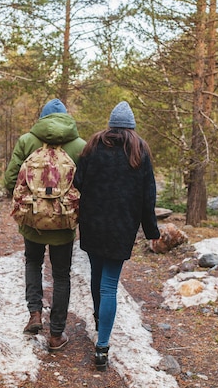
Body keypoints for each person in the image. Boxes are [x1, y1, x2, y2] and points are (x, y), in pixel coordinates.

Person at [73, 101, 160, 371]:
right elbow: (148, 195)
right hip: (122, 227)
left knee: (96, 277)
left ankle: (100, 321)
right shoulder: (139, 150)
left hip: (93, 223)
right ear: (131, 127)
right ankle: (103, 345)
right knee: (109, 285)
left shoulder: (92, 146)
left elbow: (78, 183)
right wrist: (151, 231)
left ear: (111, 124)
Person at [3, 98, 86, 352]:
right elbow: (87, 184)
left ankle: (35, 314)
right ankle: (56, 334)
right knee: (61, 275)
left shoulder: (28, 141)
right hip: (64, 222)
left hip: (33, 221)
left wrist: (26, 201)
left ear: (42, 118)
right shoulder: (79, 145)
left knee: (33, 263)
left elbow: (9, 179)